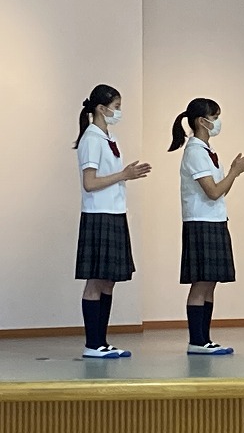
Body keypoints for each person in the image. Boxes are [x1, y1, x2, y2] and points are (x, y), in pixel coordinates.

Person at [168, 98, 244, 355]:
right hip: (200, 222)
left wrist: (232, 173)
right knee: (201, 283)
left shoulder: (206, 150)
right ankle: (197, 341)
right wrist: (235, 171)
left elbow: (220, 191)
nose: (217, 122)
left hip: (214, 219)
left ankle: (205, 339)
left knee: (210, 283)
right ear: (201, 121)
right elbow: (213, 191)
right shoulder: (195, 152)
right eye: (214, 117)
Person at [74, 84, 151, 359]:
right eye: (116, 107)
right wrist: (124, 175)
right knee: (96, 280)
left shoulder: (109, 137)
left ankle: (102, 341)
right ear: (101, 108)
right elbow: (90, 182)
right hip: (98, 214)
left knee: (109, 280)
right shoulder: (92, 139)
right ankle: (92, 343)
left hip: (115, 213)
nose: (119, 112)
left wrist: (125, 175)